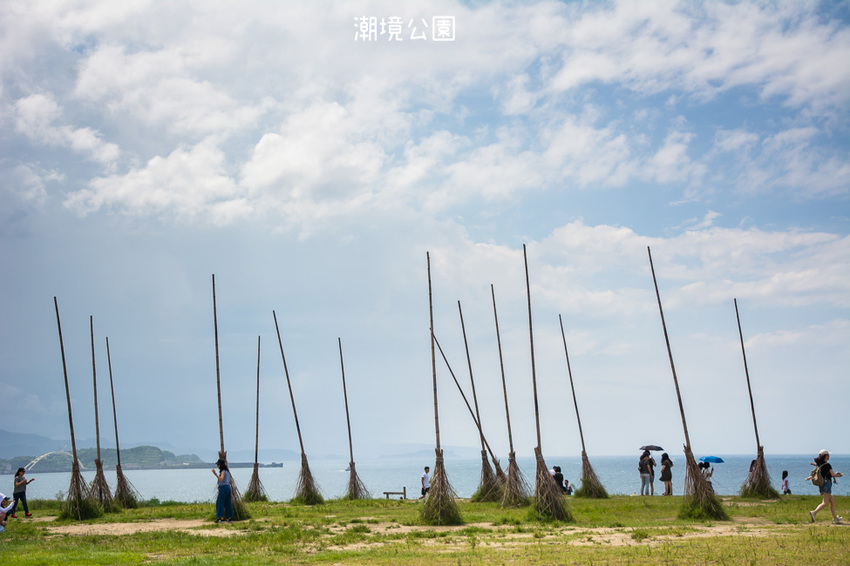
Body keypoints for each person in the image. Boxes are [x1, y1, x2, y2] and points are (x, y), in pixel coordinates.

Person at [808, 449, 843, 524]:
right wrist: (839, 475)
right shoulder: (827, 465)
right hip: (827, 484)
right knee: (825, 503)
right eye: (828, 455)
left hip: (822, 484)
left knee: (832, 501)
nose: (829, 456)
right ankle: (814, 512)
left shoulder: (820, 464)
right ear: (826, 456)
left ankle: (835, 518)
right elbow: (833, 474)